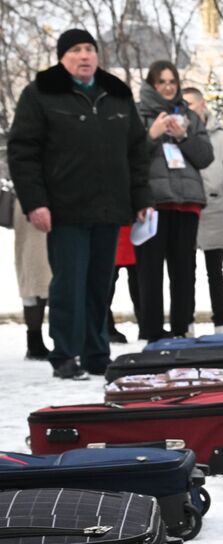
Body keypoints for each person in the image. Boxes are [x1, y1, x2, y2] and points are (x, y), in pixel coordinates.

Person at [7, 29, 151, 380]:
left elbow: (137, 150)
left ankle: (96, 352)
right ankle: (65, 353)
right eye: (75, 50)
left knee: (99, 284)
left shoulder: (116, 94)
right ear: (62, 57)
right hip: (65, 208)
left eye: (89, 49)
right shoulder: (40, 94)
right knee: (69, 283)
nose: (84, 56)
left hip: (108, 207)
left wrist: (141, 198)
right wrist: (35, 202)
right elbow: (23, 152)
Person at [135, 61, 213, 342]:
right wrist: (152, 135)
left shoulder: (189, 116)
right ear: (152, 85)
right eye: (162, 82)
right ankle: (152, 330)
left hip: (187, 200)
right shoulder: (138, 113)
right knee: (150, 271)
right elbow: (130, 155)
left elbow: (206, 156)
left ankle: (182, 328)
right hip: (153, 203)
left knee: (184, 270)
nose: (168, 87)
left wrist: (183, 137)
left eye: (172, 81)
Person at [184, 86, 223, 334]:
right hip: (187, 207)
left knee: (216, 271)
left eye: (191, 103)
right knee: (185, 271)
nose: (188, 109)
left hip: (215, 206)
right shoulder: (178, 135)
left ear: (202, 104)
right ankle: (186, 323)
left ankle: (221, 322)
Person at [14, 187, 53, 360]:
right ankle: (35, 341)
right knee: (34, 272)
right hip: (31, 205)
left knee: (38, 272)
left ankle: (39, 341)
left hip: (55, 201)